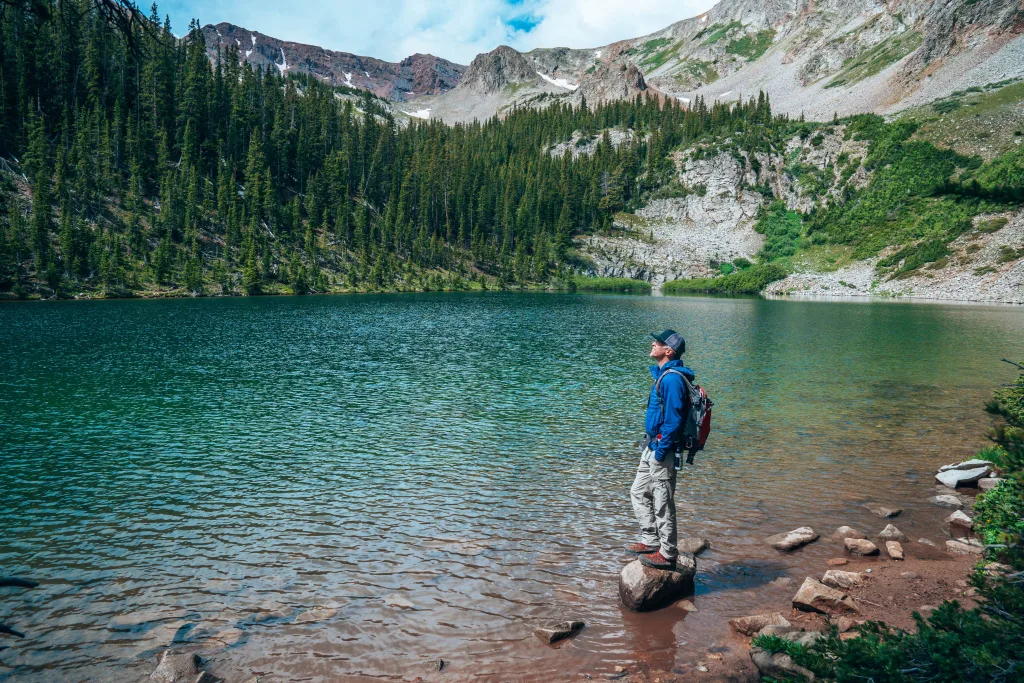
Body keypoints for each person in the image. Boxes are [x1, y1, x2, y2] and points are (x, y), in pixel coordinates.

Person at [625, 329, 694, 570]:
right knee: (638, 491)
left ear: (669, 351)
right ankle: (650, 540)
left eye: (659, 342)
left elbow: (673, 421)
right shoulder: (663, 375)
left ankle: (667, 553)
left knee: (663, 500)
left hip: (662, 448)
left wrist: (661, 450)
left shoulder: (673, 379)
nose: (653, 344)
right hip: (652, 445)